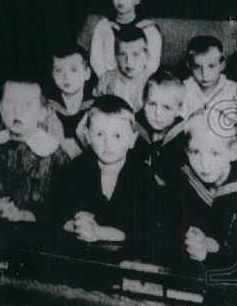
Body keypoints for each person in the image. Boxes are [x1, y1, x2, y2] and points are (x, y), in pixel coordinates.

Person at [54, 95, 160, 259]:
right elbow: (56, 216)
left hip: (127, 261)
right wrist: (76, 225)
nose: (107, 143)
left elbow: (147, 231)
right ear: (88, 136)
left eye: (117, 136)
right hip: (80, 258)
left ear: (132, 139)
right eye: (99, 134)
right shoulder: (74, 170)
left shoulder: (143, 176)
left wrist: (100, 232)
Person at [0, 77, 69, 229]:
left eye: (27, 104)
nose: (17, 110)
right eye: (10, 103)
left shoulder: (54, 154)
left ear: (43, 112)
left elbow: (62, 208)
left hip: (38, 233)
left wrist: (25, 215)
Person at [174, 116, 237, 273]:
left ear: (233, 152)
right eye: (195, 152)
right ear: (186, 151)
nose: (204, 163)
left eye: (215, 153)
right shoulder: (184, 180)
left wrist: (211, 252)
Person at [89, 0, 162, 78]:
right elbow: (96, 61)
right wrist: (108, 81)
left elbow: (152, 64)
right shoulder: (104, 26)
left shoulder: (148, 28)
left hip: (140, 83)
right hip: (109, 82)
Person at [132, 70, 187, 187]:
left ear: (179, 109)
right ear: (143, 101)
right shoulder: (132, 127)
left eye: (166, 107)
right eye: (152, 104)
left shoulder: (184, 136)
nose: (157, 113)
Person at [46, 42, 96, 158]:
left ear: (87, 73)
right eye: (59, 70)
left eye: (73, 70)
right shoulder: (48, 107)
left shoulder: (96, 107)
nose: (66, 77)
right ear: (52, 74)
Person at [180, 36, 237, 128]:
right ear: (189, 65)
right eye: (197, 67)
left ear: (222, 64)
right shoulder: (183, 89)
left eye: (211, 66)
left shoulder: (233, 90)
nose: (205, 74)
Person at [95, 25, 152, 112]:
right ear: (115, 56)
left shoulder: (151, 82)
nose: (129, 61)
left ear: (146, 57)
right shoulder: (106, 79)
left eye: (135, 54)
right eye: (122, 54)